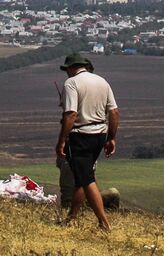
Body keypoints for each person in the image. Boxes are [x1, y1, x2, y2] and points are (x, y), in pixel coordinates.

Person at [54, 52, 119, 230]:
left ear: (71, 68)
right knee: (83, 177)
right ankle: (72, 216)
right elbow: (114, 112)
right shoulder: (102, 81)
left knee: (86, 179)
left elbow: (71, 114)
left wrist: (61, 141)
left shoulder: (71, 83)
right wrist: (111, 137)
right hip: (100, 134)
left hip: (80, 135)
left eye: (67, 69)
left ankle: (103, 222)